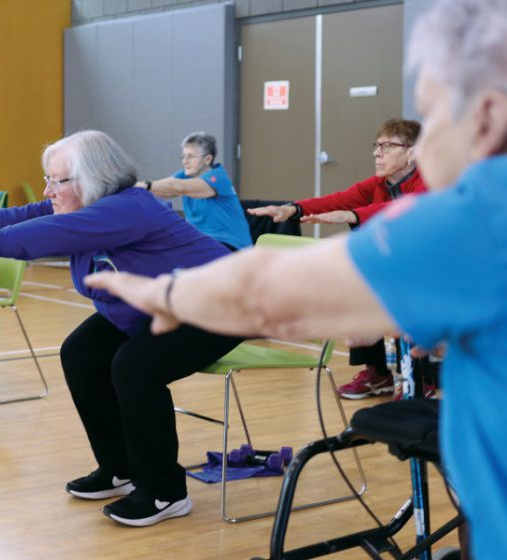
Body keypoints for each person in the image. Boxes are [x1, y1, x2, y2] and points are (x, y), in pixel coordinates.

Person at [86, 0, 507, 556]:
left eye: (434, 120)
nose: (426, 148)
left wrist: (166, 292)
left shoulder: (475, 214)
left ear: (486, 117)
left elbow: (266, 292)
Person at [0, 130, 242, 527]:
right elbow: (17, 216)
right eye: (48, 179)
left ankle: (164, 491)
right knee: (81, 354)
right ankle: (118, 467)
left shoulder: (129, 208)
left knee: (135, 367)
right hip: (153, 305)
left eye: (57, 181)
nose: (48, 190)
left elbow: (40, 234)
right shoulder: (79, 207)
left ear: (93, 178)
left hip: (215, 305)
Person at [248, 118, 428, 400]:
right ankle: (378, 373)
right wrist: (292, 210)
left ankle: (420, 380)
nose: (376, 153)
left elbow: (406, 209)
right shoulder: (378, 184)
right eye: (376, 146)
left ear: (412, 153)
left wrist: (354, 215)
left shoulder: (430, 180)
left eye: (387, 146)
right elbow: (338, 199)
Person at [137, 132, 252, 251]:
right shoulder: (184, 175)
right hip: (201, 242)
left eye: (190, 156)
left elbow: (179, 187)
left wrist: (145, 185)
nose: (184, 161)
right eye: (183, 156)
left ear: (207, 159)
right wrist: (133, 188)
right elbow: (164, 190)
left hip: (229, 246)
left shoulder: (218, 177)